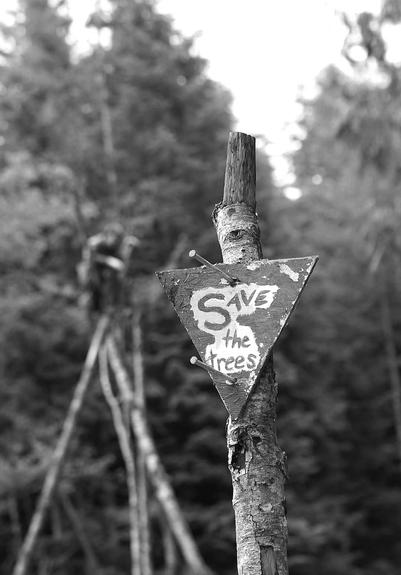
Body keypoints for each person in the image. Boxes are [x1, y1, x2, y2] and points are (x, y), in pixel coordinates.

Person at [78, 223, 140, 314]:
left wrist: (128, 246)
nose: (114, 240)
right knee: (95, 287)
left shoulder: (118, 243)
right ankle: (95, 305)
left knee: (119, 277)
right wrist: (108, 261)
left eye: (117, 237)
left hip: (109, 271)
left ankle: (118, 304)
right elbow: (89, 259)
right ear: (106, 234)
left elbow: (121, 255)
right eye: (112, 236)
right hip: (93, 270)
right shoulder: (95, 243)